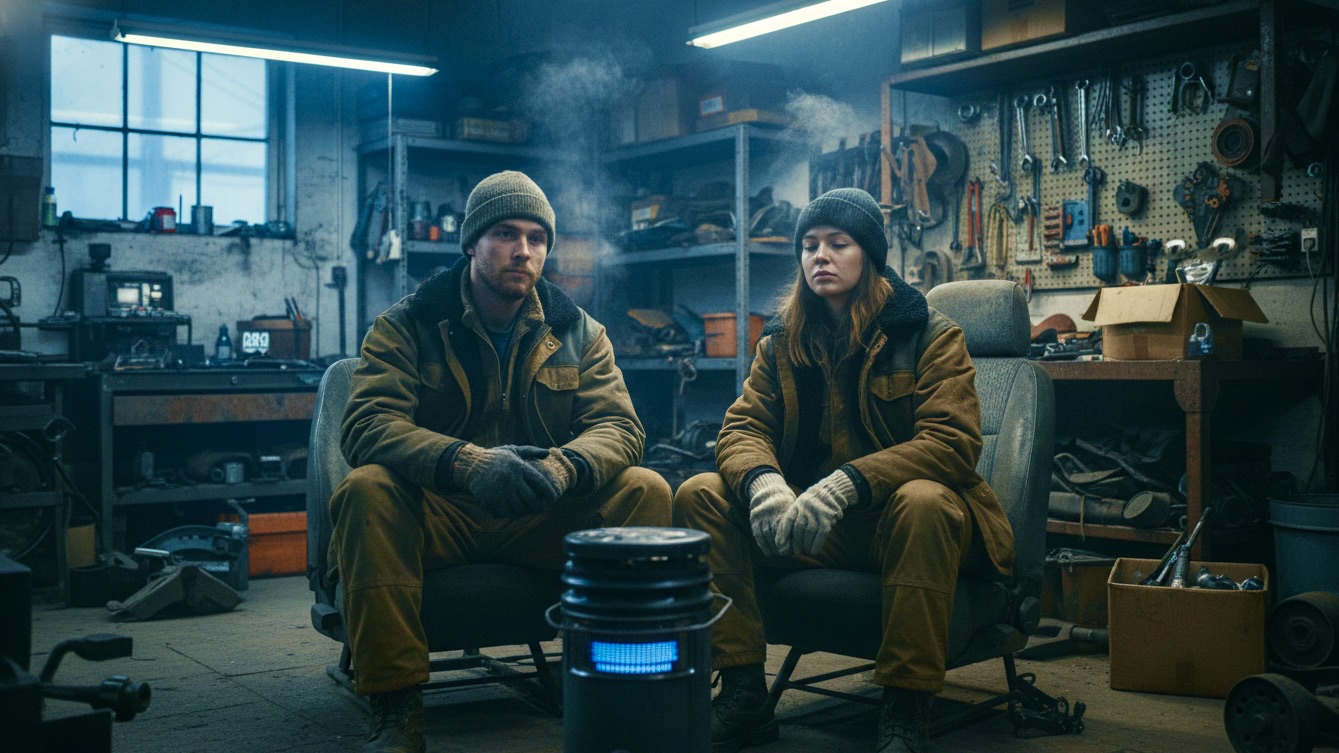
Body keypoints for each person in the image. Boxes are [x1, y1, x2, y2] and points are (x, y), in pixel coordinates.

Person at [331, 170, 673, 753]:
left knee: (646, 489)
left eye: (537, 237)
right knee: (367, 489)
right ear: (471, 242)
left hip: (538, 513)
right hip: (440, 515)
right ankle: (395, 707)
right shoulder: (406, 324)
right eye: (506, 234)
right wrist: (465, 463)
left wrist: (564, 468)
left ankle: (612, 683)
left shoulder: (580, 333)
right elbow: (367, 426)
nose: (523, 251)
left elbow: (620, 427)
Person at [673, 188, 1015, 753]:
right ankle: (742, 692)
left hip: (910, 526)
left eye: (838, 243)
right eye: (809, 246)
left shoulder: (930, 333)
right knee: (699, 493)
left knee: (924, 500)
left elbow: (952, 444)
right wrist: (765, 485)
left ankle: (906, 707)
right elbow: (741, 429)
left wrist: (846, 483)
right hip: (820, 525)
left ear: (871, 257)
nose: (819, 257)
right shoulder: (782, 339)